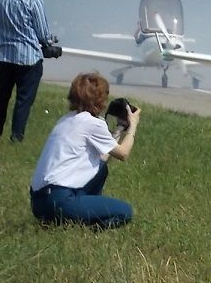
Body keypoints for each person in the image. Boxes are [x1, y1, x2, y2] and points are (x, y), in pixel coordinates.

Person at [30, 72, 140, 229]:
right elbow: (123, 153)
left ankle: (62, 221)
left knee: (101, 169)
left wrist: (120, 128)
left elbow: (103, 156)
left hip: (39, 203)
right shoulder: (92, 123)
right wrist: (133, 125)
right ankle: (87, 229)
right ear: (99, 99)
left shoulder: (66, 120)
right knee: (125, 211)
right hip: (60, 200)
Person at [0, 0, 61, 142]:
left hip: (3, 55)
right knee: (23, 101)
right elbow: (43, 33)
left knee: (1, 98)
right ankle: (16, 137)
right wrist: (52, 42)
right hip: (28, 59)